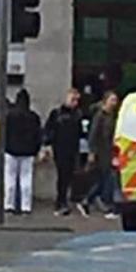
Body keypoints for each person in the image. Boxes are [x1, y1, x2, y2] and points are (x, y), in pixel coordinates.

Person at [81, 90, 121, 218]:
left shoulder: (111, 115)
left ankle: (88, 200)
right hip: (101, 151)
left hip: (108, 151)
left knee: (105, 178)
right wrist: (92, 152)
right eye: (112, 100)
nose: (114, 103)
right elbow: (93, 134)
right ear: (105, 101)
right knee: (107, 178)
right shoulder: (100, 116)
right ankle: (102, 202)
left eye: (115, 100)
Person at [44, 88, 84, 216]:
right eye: (73, 99)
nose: (75, 103)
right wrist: (47, 146)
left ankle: (64, 200)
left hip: (72, 149)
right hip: (60, 148)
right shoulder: (57, 113)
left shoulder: (77, 114)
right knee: (63, 175)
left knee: (68, 175)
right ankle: (61, 201)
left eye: (77, 100)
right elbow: (49, 130)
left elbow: (79, 133)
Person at [4, 89, 42, 215]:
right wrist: (36, 150)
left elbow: (5, 133)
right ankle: (26, 206)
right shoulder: (34, 117)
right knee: (26, 180)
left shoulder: (10, 115)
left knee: (10, 179)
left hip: (11, 150)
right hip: (28, 152)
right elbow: (38, 135)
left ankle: (9, 204)